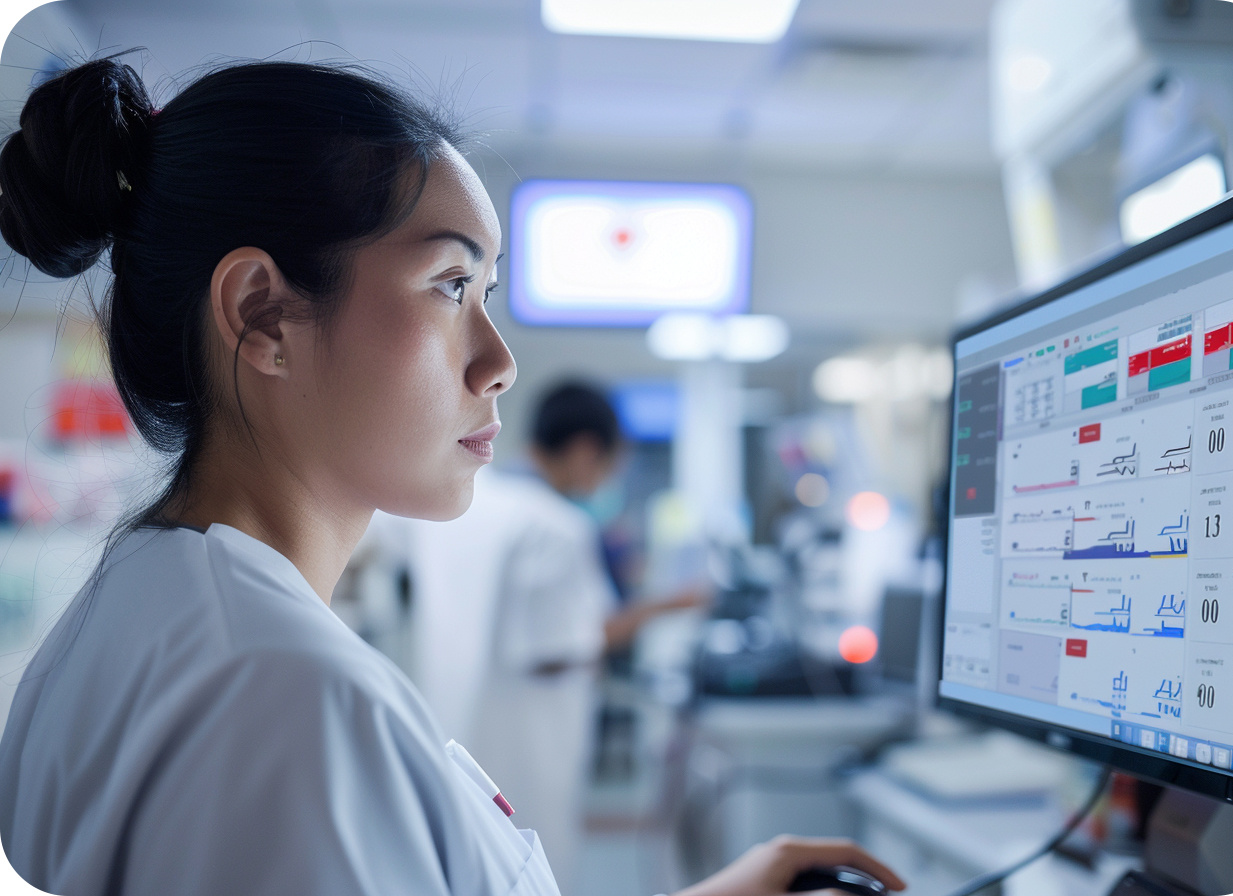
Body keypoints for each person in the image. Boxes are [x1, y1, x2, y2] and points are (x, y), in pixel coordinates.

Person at [0, 56, 907, 896]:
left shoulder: (136, 609)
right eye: (448, 285)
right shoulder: (288, 700)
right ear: (263, 313)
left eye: (488, 295)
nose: (500, 361)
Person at [378, 381, 705, 888]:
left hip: (450, 730)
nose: (606, 481)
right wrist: (670, 604)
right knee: (527, 870)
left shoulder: (459, 500)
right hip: (528, 745)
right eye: (609, 464)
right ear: (584, 450)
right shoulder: (555, 526)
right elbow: (562, 645)